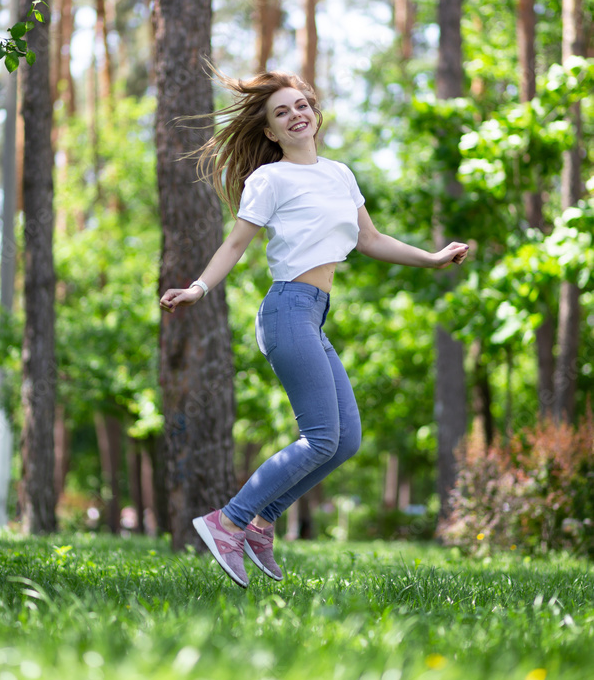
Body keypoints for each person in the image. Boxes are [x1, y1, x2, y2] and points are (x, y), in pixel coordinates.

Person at [159, 70, 469, 588]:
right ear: (271, 132)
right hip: (286, 309)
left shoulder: (340, 174)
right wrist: (198, 288)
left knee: (345, 442)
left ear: (314, 113)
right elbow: (235, 244)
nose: (295, 115)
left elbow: (370, 239)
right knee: (321, 437)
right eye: (281, 112)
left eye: (301, 105)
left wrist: (432, 258)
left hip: (313, 314)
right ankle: (228, 521)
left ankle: (261, 522)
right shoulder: (270, 180)